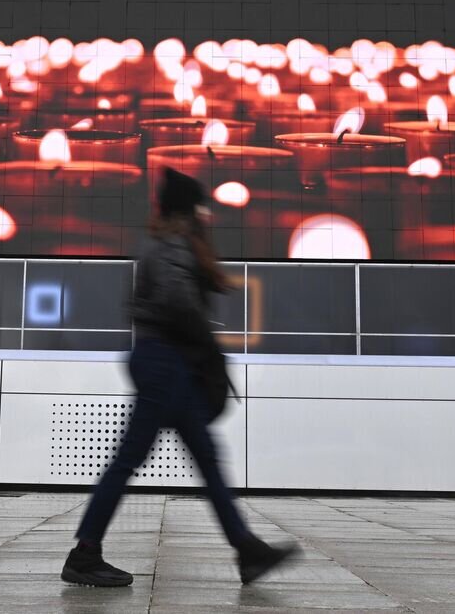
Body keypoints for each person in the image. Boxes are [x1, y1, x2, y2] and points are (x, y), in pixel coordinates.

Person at [61, 168, 300, 588]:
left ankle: (246, 549)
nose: (206, 215)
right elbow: (176, 300)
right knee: (146, 460)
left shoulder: (159, 244)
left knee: (198, 459)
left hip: (163, 360)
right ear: (189, 210)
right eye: (201, 208)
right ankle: (84, 556)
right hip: (166, 363)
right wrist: (209, 346)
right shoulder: (173, 245)